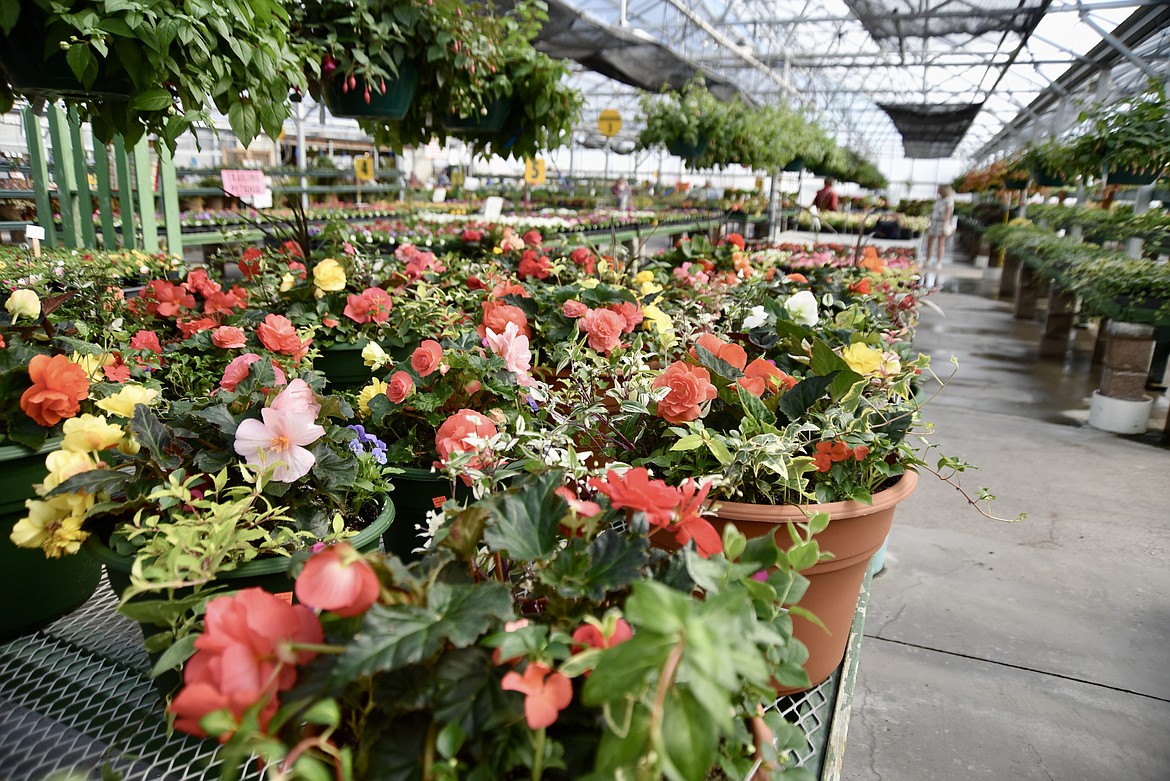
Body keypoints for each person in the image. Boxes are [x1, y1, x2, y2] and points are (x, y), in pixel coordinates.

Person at [924, 184, 955, 269]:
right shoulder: (939, 200)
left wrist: (945, 225)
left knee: (941, 243)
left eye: (940, 189)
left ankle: (938, 262)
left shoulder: (949, 200)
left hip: (942, 223)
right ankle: (928, 259)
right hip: (934, 222)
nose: (938, 190)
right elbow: (934, 211)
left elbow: (948, 213)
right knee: (930, 241)